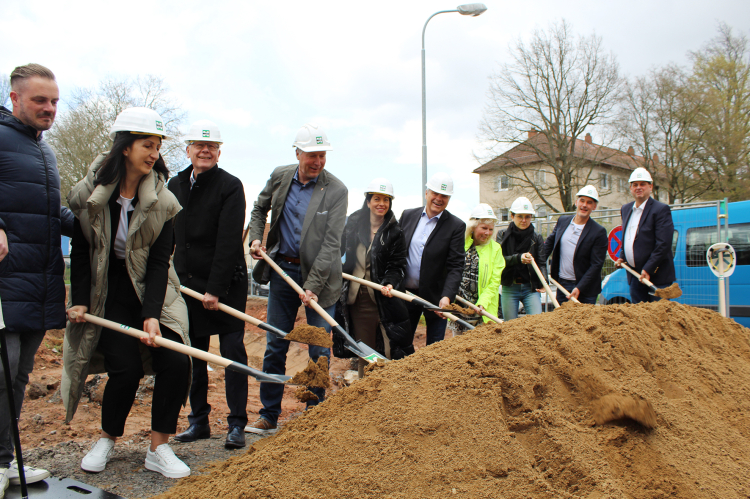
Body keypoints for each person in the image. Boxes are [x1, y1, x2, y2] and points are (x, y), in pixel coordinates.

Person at [64, 107, 191, 478]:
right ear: (124, 147)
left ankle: (159, 447)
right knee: (126, 367)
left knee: (176, 359)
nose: (154, 153)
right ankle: (106, 438)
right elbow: (83, 251)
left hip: (154, 289)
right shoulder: (88, 194)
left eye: (157, 146)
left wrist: (152, 314)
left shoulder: (163, 202)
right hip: (110, 288)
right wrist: (80, 300)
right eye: (146, 145)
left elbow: (158, 264)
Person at [246, 123, 347, 435]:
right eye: (312, 155)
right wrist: (255, 238)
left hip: (321, 278)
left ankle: (314, 415)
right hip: (282, 271)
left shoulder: (336, 190)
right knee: (276, 343)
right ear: (298, 153)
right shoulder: (280, 175)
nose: (318, 161)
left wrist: (312, 286)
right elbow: (259, 207)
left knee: (317, 348)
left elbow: (332, 244)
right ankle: (268, 415)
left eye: (322, 155)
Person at [0, 63, 73, 488]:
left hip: (36, 284)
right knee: (2, 375)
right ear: (14, 99)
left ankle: (5, 461)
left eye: (54, 101)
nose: (49, 108)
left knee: (18, 378)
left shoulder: (44, 151)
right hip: (5, 282)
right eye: (40, 100)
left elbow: (49, 213)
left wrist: (92, 228)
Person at [168, 121, 249, 449]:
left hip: (225, 283)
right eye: (199, 145)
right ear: (187, 149)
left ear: (218, 152)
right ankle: (198, 421)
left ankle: (237, 424)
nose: (205, 151)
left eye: (211, 146)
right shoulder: (174, 184)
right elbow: (170, 234)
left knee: (232, 353)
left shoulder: (230, 186)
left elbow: (229, 241)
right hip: (187, 283)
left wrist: (214, 288)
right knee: (193, 354)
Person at [338, 178, 413, 378]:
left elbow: (397, 265)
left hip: (384, 296)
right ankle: (365, 392)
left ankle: (389, 393)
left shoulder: (395, 232)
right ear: (368, 201)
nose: (381, 204)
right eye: (377, 199)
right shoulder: (353, 223)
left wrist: (390, 282)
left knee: (390, 350)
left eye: (386, 200)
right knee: (366, 351)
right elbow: (341, 252)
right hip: (359, 298)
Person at [399, 173, 465, 344]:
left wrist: (447, 297)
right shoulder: (407, 216)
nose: (438, 198)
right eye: (435, 193)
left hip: (436, 299)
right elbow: (396, 252)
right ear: (426, 193)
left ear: (449, 198)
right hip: (407, 294)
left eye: (444, 195)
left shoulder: (455, 226)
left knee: (435, 347)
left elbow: (455, 266)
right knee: (402, 342)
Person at [615, 167, 676, 303]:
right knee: (640, 318)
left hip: (657, 277)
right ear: (630, 188)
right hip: (635, 275)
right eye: (635, 185)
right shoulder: (626, 209)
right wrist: (622, 256)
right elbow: (628, 238)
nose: (638, 187)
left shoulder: (660, 210)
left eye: (642, 184)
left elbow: (663, 244)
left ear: (650, 186)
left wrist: (648, 268)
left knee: (658, 319)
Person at [541, 185, 607, 305]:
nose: (584, 205)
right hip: (562, 285)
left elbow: (596, 265)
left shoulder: (598, 232)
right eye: (582, 200)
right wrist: (539, 267)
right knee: (563, 322)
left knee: (585, 322)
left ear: (594, 207)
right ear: (576, 202)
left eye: (589, 202)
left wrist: (580, 287)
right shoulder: (563, 221)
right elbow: (548, 246)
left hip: (586, 289)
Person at [449, 204, 505, 334]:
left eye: (491, 229)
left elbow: (495, 281)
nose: (487, 233)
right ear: (473, 227)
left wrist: (483, 302)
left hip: (481, 309)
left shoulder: (496, 249)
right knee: (458, 345)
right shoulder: (461, 243)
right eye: (484, 228)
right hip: (460, 307)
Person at [496, 197, 546, 320]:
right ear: (512, 216)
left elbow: (541, 261)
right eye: (520, 216)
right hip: (510, 286)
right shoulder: (502, 235)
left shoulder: (536, 237)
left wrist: (544, 281)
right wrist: (518, 258)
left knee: (536, 323)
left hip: (530, 288)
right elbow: (499, 260)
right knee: (510, 326)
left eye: (527, 217)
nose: (524, 220)